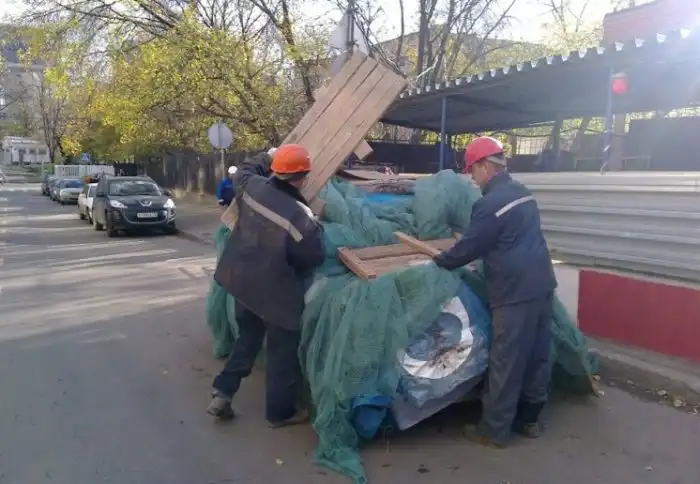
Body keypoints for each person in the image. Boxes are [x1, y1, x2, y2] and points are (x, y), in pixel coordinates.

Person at [432, 136, 557, 448]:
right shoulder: (523, 193)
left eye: (472, 171)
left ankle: (494, 429)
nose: (472, 179)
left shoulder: (490, 204)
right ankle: (529, 419)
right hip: (542, 284)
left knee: (507, 360)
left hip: (514, 292)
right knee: (537, 354)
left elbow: (470, 247)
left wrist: (441, 260)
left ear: (485, 166)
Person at [208, 144, 325, 427]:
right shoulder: (301, 216)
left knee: (247, 339)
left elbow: (245, 170)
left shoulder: (253, 187)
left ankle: (223, 392)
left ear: (275, 170)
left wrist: (268, 155)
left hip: (242, 282)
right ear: (303, 178)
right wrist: (316, 227)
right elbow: (313, 256)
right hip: (275, 294)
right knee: (282, 352)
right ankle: (279, 413)